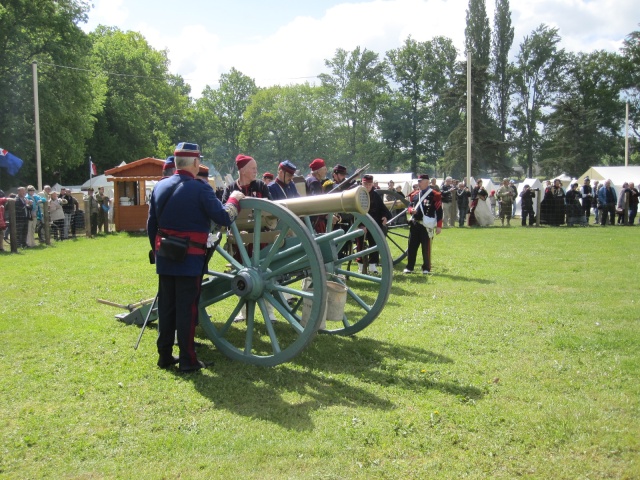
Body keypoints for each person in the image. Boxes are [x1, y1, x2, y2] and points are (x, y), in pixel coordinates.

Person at [147, 142, 244, 372]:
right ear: (195, 162)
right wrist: (234, 200)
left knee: (167, 307)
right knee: (187, 309)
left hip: (166, 256)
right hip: (189, 259)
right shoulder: (200, 188)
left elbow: (151, 225)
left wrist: (158, 250)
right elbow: (223, 217)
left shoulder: (160, 187)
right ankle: (188, 360)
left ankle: (164, 356)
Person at [403, 174, 442, 274]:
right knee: (412, 247)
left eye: (420, 181)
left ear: (427, 182)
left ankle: (426, 268)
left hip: (426, 225)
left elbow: (439, 211)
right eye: (418, 181)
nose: (418, 183)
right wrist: (412, 210)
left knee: (426, 248)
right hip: (415, 224)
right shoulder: (415, 194)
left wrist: (439, 226)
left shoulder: (435, 195)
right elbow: (409, 206)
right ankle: (410, 267)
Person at [356, 175, 391, 274]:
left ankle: (372, 266)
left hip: (374, 223)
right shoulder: (356, 194)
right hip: (360, 224)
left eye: (369, 184)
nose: (367, 186)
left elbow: (383, 209)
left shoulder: (375, 195)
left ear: (372, 184)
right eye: (365, 184)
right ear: (362, 183)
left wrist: (385, 216)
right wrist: (360, 226)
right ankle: (360, 266)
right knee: (359, 244)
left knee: (375, 243)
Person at [305, 158, 328, 232]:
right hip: (316, 220)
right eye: (324, 169)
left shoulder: (311, 180)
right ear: (318, 171)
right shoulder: (314, 182)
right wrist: (326, 215)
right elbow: (317, 201)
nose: (326, 171)